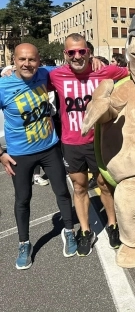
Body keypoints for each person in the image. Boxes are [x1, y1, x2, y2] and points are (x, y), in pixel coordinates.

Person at [49, 33, 129, 256]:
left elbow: (134, 74)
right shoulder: (56, 75)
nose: (77, 56)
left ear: (89, 52)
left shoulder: (105, 71)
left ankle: (113, 225)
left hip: (99, 141)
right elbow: (31, 77)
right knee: (79, 186)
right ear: (65, 54)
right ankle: (85, 231)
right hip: (72, 142)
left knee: (105, 184)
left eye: (81, 51)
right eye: (72, 52)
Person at [0, 43, 77, 269]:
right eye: (22, 59)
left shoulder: (45, 74)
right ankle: (24, 243)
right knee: (22, 200)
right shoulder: (3, 85)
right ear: (14, 60)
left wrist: (97, 62)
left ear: (39, 61)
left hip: (50, 149)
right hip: (19, 156)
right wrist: (1, 155)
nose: (27, 64)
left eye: (32, 60)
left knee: (63, 191)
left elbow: (74, 68)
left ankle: (69, 231)